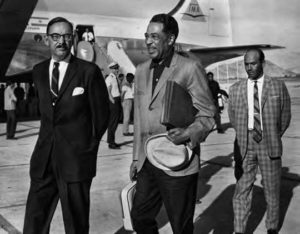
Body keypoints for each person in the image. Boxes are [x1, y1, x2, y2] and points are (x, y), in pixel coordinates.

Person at [130, 14, 216, 234]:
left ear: (170, 39)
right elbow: (139, 119)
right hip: (148, 161)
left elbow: (208, 114)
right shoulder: (140, 71)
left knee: (180, 225)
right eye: (146, 36)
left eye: (155, 37)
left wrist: (188, 133)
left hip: (178, 160)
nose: (148, 41)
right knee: (139, 217)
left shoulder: (189, 68)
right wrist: (135, 158)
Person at [23, 17, 110, 234]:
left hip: (76, 161)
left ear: (73, 39)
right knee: (34, 219)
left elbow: (102, 115)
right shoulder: (39, 71)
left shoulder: (88, 71)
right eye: (55, 36)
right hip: (44, 159)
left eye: (66, 36)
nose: (61, 41)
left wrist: (88, 148)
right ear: (46, 40)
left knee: (76, 224)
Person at [228, 48, 291, 234]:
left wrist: (272, 134)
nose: (249, 68)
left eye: (253, 63)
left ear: (262, 63)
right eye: (246, 64)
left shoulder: (277, 86)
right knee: (241, 190)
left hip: (269, 143)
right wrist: (243, 134)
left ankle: (271, 227)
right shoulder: (236, 89)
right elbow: (233, 116)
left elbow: (285, 115)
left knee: (271, 189)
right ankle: (239, 230)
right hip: (245, 144)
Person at [105, 61, 122, 149]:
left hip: (117, 100)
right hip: (113, 100)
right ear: (111, 69)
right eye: (115, 68)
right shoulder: (109, 78)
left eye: (117, 68)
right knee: (113, 122)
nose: (116, 70)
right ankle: (111, 143)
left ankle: (112, 141)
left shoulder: (115, 77)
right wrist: (112, 100)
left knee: (115, 122)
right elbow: (108, 90)